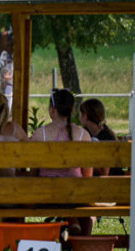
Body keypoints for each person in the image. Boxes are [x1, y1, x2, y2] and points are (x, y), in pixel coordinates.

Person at [31, 88, 93, 235]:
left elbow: (33, 172)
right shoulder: (83, 135)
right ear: (72, 109)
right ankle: (77, 240)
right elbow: (87, 175)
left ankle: (66, 228)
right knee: (87, 213)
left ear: (52, 110)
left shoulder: (40, 134)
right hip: (75, 193)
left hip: (45, 194)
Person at [79, 98, 122, 176]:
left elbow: (104, 172)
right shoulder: (87, 133)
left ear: (85, 116)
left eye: (80, 114)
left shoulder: (107, 137)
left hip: (111, 182)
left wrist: (84, 165)